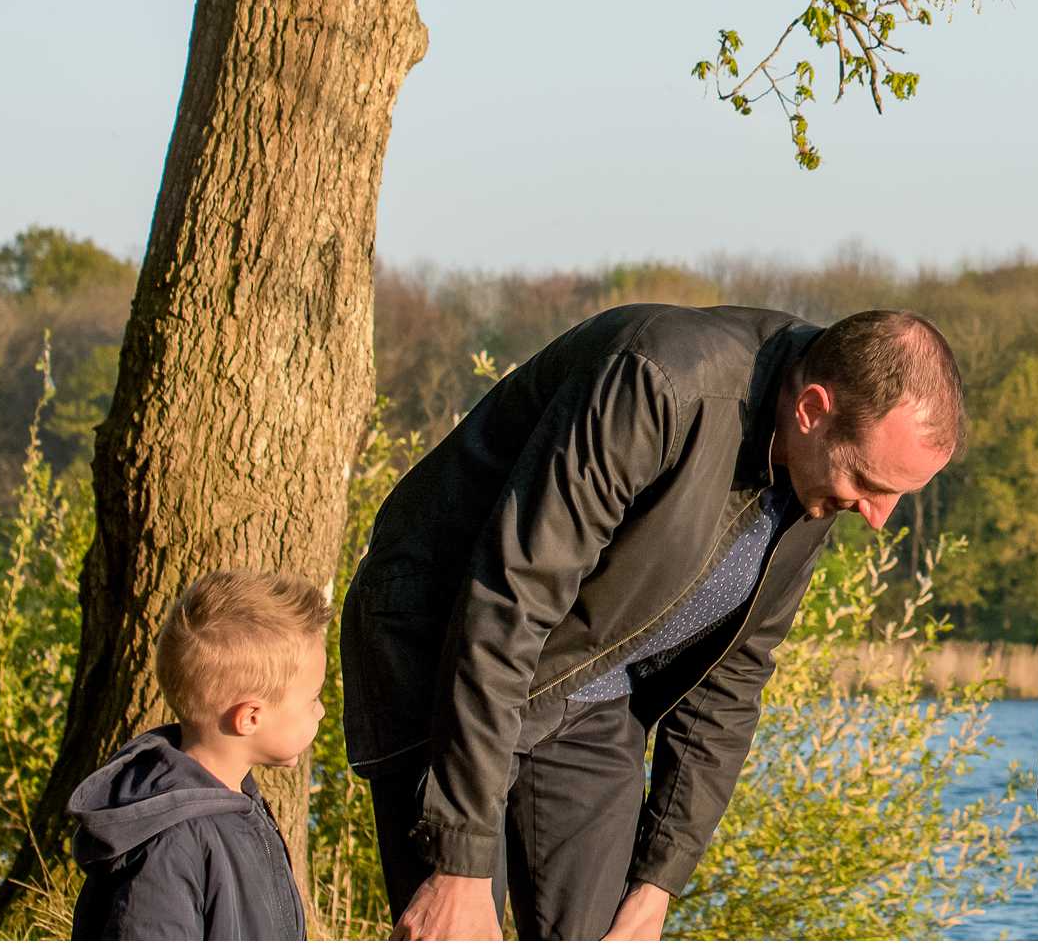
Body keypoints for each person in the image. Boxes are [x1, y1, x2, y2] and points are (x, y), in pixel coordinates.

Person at [341, 303, 961, 941]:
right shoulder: (661, 381)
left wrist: (657, 884)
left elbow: (732, 681)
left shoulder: (818, 475)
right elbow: (509, 602)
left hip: (592, 690)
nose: (877, 516)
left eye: (896, 496)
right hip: (448, 658)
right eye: (868, 480)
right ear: (811, 409)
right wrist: (459, 862)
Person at [68, 569, 327, 939]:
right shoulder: (169, 844)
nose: (320, 712)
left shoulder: (237, 802)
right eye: (313, 699)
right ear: (250, 717)